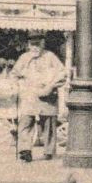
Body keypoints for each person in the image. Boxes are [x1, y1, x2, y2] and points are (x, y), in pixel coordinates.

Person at [12, 31, 64, 162]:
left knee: (49, 124)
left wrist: (51, 86)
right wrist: (18, 86)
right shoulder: (24, 58)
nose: (35, 48)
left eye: (37, 44)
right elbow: (14, 74)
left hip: (47, 95)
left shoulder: (51, 57)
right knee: (25, 122)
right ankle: (25, 151)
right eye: (32, 44)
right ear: (28, 45)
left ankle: (49, 151)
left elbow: (62, 73)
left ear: (43, 44)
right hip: (29, 95)